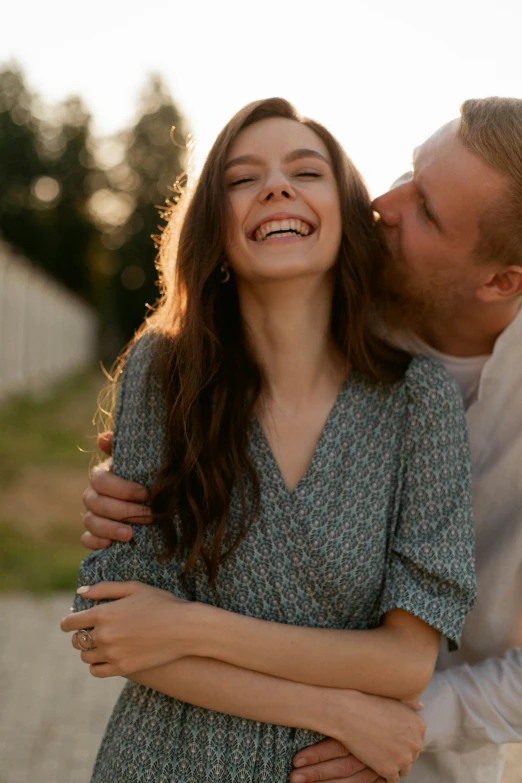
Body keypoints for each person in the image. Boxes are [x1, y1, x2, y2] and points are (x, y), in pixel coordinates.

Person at [61, 97, 477, 783]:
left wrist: (189, 626)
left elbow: (406, 659)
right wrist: (341, 709)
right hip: (165, 762)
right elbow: (116, 632)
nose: (276, 186)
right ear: (214, 228)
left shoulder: (417, 400)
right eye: (242, 177)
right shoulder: (164, 371)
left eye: (306, 172)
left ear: (346, 214)